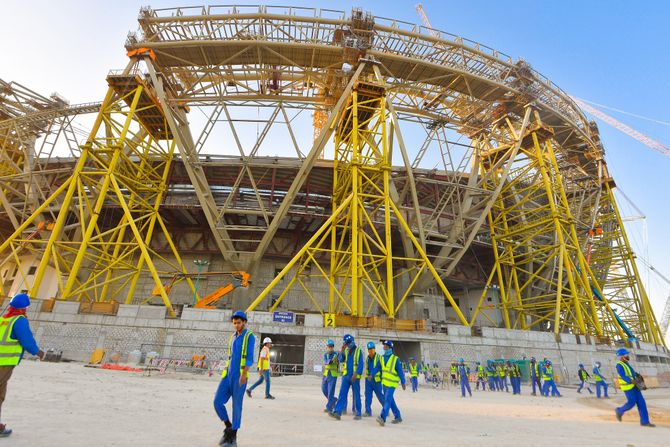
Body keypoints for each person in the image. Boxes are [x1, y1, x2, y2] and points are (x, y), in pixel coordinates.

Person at [0, 293, 45, 438]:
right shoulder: (19, 321)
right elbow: (26, 340)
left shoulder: (3, 319)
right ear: (24, 308)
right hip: (4, 363)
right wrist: (37, 352)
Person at [214, 310, 255, 447]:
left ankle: (233, 437)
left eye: (238, 323)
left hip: (240, 376)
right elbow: (230, 357)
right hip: (228, 375)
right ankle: (228, 427)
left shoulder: (249, 336)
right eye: (234, 323)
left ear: (244, 322)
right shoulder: (232, 337)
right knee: (217, 402)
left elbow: (249, 358)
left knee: (237, 406)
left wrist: (244, 374)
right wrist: (225, 374)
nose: (236, 325)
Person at [614, 348, 654, 427]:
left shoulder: (626, 363)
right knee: (631, 403)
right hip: (628, 388)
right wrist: (630, 381)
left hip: (635, 387)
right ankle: (619, 411)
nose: (627, 356)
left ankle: (645, 422)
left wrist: (637, 375)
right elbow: (623, 375)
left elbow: (631, 372)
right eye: (626, 355)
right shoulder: (619, 365)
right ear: (621, 356)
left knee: (642, 403)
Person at [329, 334, 363, 420]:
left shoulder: (359, 351)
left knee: (356, 395)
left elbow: (361, 364)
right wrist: (341, 351)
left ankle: (358, 413)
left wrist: (356, 373)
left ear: (352, 342)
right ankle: (337, 412)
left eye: (347, 343)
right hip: (346, 376)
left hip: (355, 377)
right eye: (346, 343)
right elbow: (341, 360)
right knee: (342, 394)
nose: (347, 345)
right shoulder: (346, 350)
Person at [376, 340, 406, 426]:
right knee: (390, 400)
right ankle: (398, 416)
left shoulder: (395, 359)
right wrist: (372, 374)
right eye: (384, 346)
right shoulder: (381, 358)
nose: (384, 347)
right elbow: (377, 368)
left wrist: (403, 382)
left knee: (387, 399)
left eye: (386, 346)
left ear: (390, 348)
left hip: (392, 384)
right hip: (384, 383)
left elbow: (400, 371)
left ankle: (382, 417)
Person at [364, 342, 384, 416]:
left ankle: (386, 409)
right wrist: (367, 377)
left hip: (377, 381)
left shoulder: (379, 357)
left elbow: (381, 369)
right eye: (369, 349)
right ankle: (368, 411)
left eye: (372, 349)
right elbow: (367, 369)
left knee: (380, 396)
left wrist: (381, 378)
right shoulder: (367, 359)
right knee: (368, 396)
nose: (370, 351)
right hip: (369, 381)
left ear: (374, 349)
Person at [321, 339, 339, 413]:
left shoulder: (336, 355)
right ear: (327, 347)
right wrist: (329, 361)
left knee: (331, 391)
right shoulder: (325, 354)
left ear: (333, 347)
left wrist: (336, 359)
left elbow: (339, 360)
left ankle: (329, 407)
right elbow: (325, 361)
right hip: (325, 375)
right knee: (324, 389)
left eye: (331, 346)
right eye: (329, 346)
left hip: (333, 375)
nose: (330, 348)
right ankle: (333, 400)